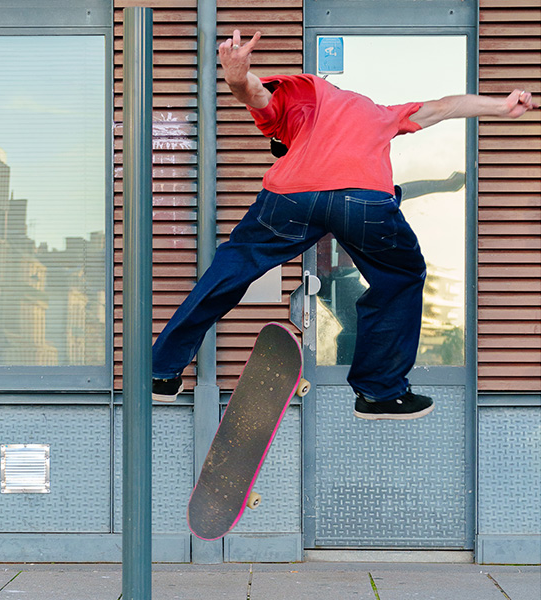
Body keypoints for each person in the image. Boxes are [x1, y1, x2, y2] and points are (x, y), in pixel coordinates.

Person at [152, 30, 538, 419]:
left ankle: (160, 370)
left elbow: (256, 93)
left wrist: (234, 76)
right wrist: (501, 106)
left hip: (289, 199)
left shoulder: (298, 104)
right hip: (364, 200)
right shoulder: (381, 112)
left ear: (287, 143)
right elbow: (444, 107)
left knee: (228, 270)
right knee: (400, 277)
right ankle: (379, 390)